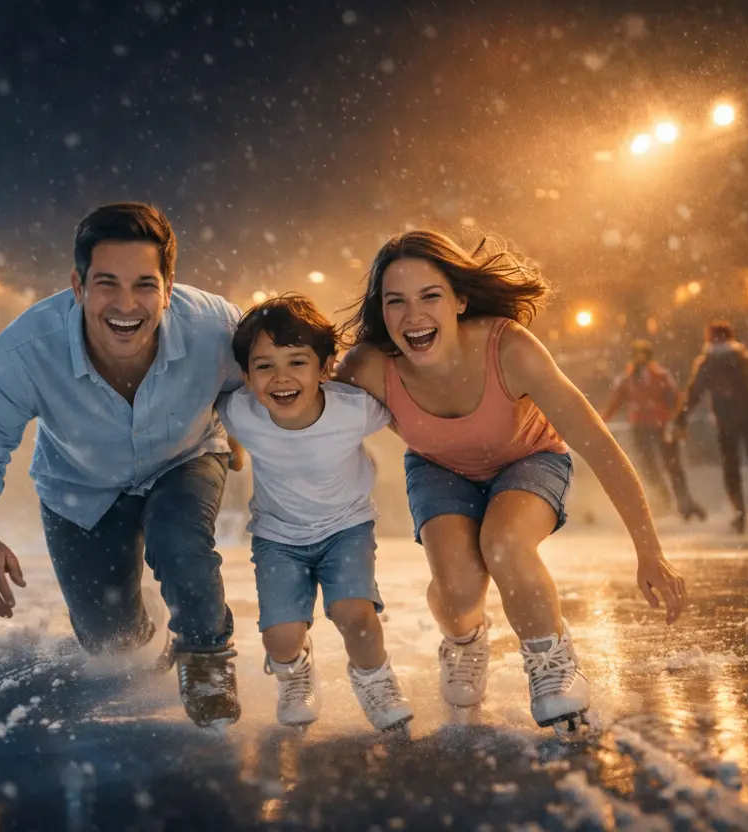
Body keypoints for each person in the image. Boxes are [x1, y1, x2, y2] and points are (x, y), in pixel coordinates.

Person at [338, 231, 686, 736]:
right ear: (382, 310)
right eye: (396, 301)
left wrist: (649, 550)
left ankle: (552, 659)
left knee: (503, 544)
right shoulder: (367, 368)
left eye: (430, 296)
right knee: (458, 593)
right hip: (439, 469)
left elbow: (598, 443)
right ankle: (463, 641)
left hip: (529, 459)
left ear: (459, 300)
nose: (413, 316)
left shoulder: (509, 348)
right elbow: (302, 414)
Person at [0, 202, 246, 729]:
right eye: (107, 284)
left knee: (179, 542)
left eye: (145, 285)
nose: (126, 305)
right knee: (111, 641)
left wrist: (240, 425)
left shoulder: (216, 328)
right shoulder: (27, 349)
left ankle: (206, 658)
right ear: (78, 286)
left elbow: (272, 380)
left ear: (169, 289)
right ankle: (145, 629)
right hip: (78, 485)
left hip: (185, 458)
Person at [219, 294, 413, 732]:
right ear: (246, 376)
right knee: (280, 637)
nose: (281, 377)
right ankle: (295, 671)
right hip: (278, 538)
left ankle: (375, 678)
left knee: (355, 614)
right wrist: (233, 452)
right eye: (264, 366)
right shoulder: (240, 411)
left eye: (297, 362)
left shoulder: (354, 409)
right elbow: (213, 418)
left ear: (325, 368)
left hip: (346, 526)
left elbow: (408, 416)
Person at [673, 322, 748, 534]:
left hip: (730, 421)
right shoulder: (743, 358)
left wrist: (680, 419)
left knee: (733, 467)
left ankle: (741, 512)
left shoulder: (708, 362)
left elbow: (693, 394)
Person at [600, 340, 706, 522]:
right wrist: (600, 421)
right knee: (648, 466)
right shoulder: (627, 379)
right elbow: (615, 402)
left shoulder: (661, 376)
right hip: (640, 426)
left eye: (643, 354)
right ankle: (662, 500)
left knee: (672, 464)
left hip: (662, 424)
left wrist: (677, 421)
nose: (640, 358)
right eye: (637, 355)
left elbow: (675, 400)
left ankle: (684, 502)